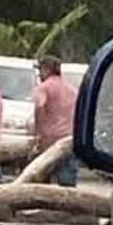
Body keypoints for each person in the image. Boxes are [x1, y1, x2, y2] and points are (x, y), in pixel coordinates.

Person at [32, 53, 79, 186]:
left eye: (40, 70)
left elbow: (40, 107)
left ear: (47, 70)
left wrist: (40, 134)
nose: (39, 74)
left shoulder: (43, 88)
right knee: (67, 182)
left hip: (50, 140)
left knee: (42, 179)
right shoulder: (71, 89)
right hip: (69, 140)